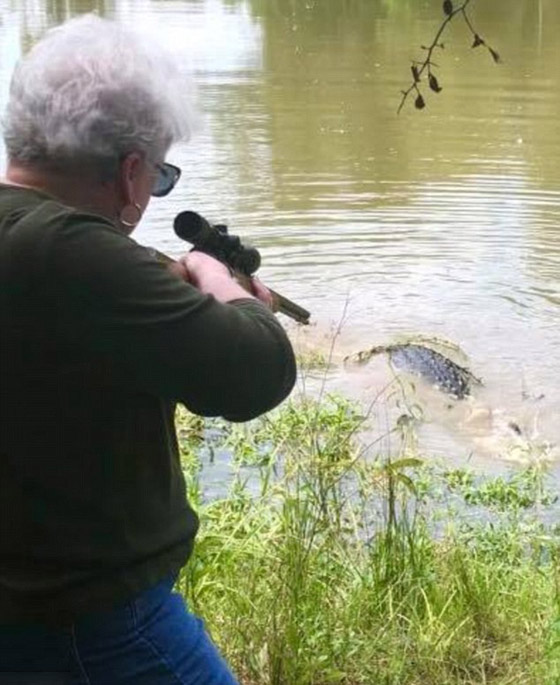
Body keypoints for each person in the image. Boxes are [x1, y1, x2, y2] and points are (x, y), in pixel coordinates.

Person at [0, 14, 296, 685]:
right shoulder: (70, 250)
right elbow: (257, 371)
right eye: (159, 175)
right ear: (132, 172)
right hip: (93, 625)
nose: (150, 194)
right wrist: (220, 279)